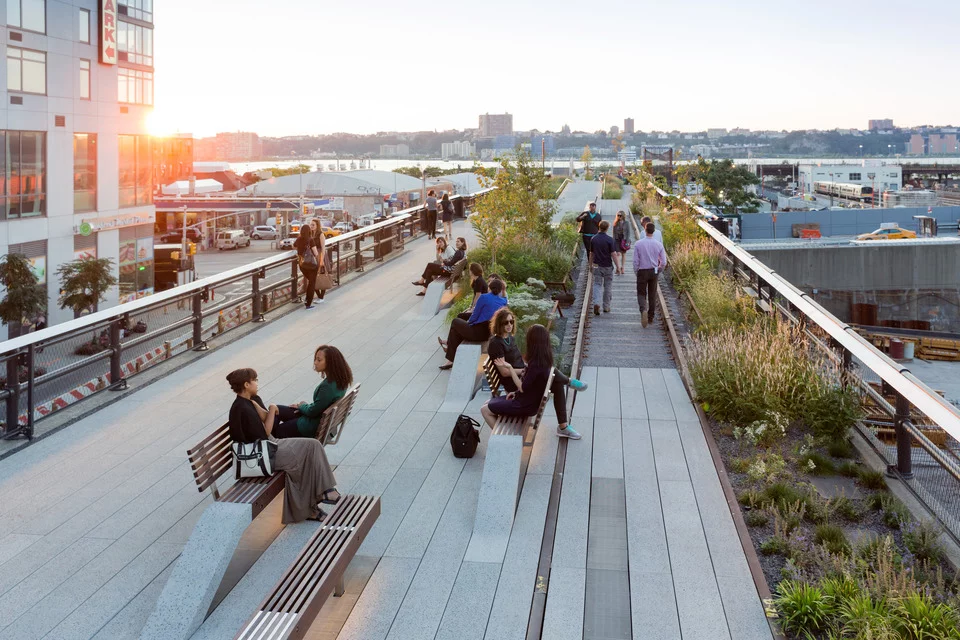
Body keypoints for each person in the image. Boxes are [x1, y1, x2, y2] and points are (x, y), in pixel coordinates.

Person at [226, 368, 340, 523]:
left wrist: (265, 409)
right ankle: (313, 505)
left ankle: (325, 492)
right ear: (246, 384)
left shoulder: (253, 400)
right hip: (263, 454)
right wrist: (273, 409)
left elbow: (269, 423)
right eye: (255, 380)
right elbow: (264, 434)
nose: (257, 383)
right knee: (305, 455)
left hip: (270, 445)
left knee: (313, 446)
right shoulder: (240, 408)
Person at [480, 324, 584, 440]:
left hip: (523, 405)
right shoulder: (544, 360)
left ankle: (506, 440)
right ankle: (569, 385)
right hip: (526, 401)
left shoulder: (535, 364)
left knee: (484, 410)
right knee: (487, 403)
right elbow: (530, 386)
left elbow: (522, 387)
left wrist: (509, 367)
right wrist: (515, 393)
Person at [273, 345, 354, 439]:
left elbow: (312, 412)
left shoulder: (328, 386)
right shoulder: (340, 380)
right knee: (277, 410)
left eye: (319, 360)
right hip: (318, 421)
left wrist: (302, 406)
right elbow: (320, 406)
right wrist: (304, 407)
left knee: (277, 431)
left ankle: (268, 445)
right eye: (315, 359)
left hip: (310, 425)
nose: (315, 363)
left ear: (330, 363)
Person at [438, 278, 507, 369]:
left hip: (478, 333)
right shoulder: (503, 301)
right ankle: (450, 356)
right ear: (500, 289)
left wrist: (469, 323)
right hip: (488, 332)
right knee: (459, 322)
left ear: (489, 288)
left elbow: (475, 315)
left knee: (455, 322)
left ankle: (450, 357)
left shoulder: (484, 297)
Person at [633, 222, 668, 328]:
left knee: (641, 293)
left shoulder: (638, 244)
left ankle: (643, 309)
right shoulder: (659, 244)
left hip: (642, 271)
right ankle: (650, 316)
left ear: (645, 230)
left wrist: (636, 271)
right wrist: (659, 269)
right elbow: (664, 262)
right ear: (654, 231)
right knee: (652, 294)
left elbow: (635, 261)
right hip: (654, 271)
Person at [590, 220, 616, 315]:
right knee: (608, 286)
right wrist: (618, 266)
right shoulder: (610, 240)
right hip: (608, 266)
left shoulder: (594, 239)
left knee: (597, 284)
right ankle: (606, 306)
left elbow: (591, 253)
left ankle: (596, 303)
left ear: (599, 226)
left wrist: (590, 265)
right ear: (607, 228)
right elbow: (613, 254)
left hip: (597, 265)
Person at [295, 225, 321, 310]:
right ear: (309, 231)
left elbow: (294, 246)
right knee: (312, 284)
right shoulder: (310, 240)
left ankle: (307, 301)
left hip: (302, 265)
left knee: (310, 281)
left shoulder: (298, 239)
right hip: (312, 265)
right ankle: (308, 303)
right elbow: (316, 253)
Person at [308, 219, 328, 303]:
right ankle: (319, 296)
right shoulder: (310, 234)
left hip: (319, 256)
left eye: (313, 225)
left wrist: (322, 260)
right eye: (311, 225)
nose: (311, 226)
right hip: (312, 257)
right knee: (312, 277)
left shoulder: (320, 234)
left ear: (317, 225)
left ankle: (321, 297)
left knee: (322, 276)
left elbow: (323, 248)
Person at [612, 210, 632, 275]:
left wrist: (627, 240)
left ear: (623, 216)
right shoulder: (615, 223)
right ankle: (618, 268)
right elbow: (614, 232)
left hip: (624, 239)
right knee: (617, 253)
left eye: (620, 215)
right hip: (617, 239)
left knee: (623, 254)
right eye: (618, 215)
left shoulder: (626, 223)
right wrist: (613, 240)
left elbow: (628, 232)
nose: (619, 217)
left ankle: (622, 267)